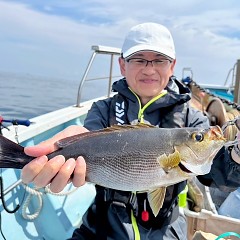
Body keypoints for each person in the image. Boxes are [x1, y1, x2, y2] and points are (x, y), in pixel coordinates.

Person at [21, 22, 240, 240]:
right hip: (101, 226)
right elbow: (89, 139)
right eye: (138, 59)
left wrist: (237, 153)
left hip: (166, 229)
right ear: (123, 65)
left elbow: (218, 176)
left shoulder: (192, 119)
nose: (149, 68)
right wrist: (70, 146)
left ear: (172, 66)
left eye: (159, 60)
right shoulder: (102, 110)